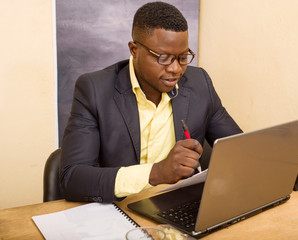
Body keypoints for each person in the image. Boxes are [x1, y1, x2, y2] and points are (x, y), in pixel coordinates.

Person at [60, 1, 242, 203]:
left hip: (178, 207)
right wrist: (156, 173)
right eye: (163, 58)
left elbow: (240, 150)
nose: (175, 69)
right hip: (120, 211)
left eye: (182, 57)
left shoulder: (200, 84)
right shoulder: (94, 90)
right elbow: (73, 178)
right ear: (134, 49)